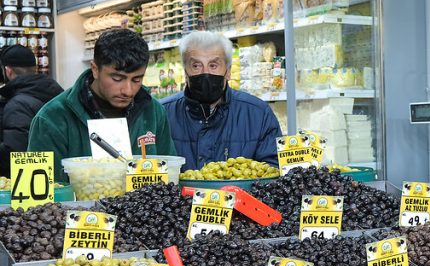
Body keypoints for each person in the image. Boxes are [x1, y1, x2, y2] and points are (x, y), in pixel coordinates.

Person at [28, 29, 175, 177]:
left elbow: (169, 171)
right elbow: (44, 190)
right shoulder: (51, 119)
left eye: (136, 79)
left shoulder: (153, 111)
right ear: (95, 69)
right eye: (117, 78)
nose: (128, 91)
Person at [162, 31, 281, 171]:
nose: (205, 73)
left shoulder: (258, 114)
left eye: (213, 65)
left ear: (228, 71)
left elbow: (273, 171)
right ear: (185, 73)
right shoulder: (162, 114)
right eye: (196, 66)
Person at [0, 44, 62, 176]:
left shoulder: (18, 104)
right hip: (56, 176)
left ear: (8, 71)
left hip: (29, 181)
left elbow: (15, 153)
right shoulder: (55, 92)